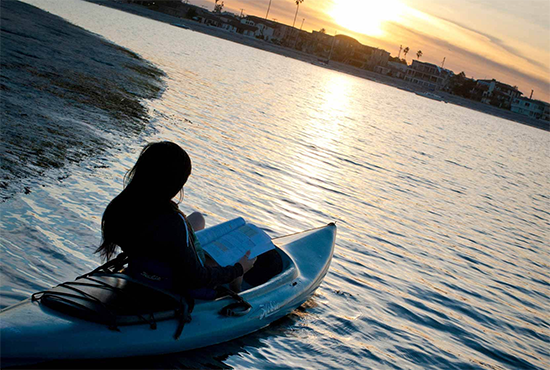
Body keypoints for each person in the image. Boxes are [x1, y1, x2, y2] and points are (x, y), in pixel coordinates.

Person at [95, 141, 256, 295]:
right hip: (170, 281)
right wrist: (238, 269)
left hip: (147, 262)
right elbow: (196, 278)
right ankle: (236, 290)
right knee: (238, 255)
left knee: (197, 219)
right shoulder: (172, 222)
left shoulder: (121, 206)